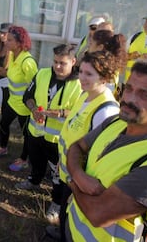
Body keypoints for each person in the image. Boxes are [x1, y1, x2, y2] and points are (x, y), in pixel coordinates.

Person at [66, 56, 147, 241]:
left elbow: (97, 214)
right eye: (129, 88)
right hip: (72, 228)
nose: (129, 99)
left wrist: (72, 182)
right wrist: (79, 176)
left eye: (145, 95)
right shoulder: (117, 121)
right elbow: (76, 147)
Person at [46, 49, 124, 241]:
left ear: (105, 77)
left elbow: (98, 155)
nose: (82, 77)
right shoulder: (85, 94)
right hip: (68, 171)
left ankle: (65, 234)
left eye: (89, 74)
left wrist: (79, 181)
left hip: (80, 179)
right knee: (65, 211)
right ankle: (62, 231)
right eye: (81, 71)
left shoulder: (105, 110)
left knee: (72, 215)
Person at [15, 44, 81, 225]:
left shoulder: (80, 83)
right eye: (55, 62)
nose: (57, 66)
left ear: (73, 62)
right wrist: (34, 108)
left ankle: (57, 203)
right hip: (35, 132)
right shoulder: (42, 73)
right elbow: (27, 96)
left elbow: (81, 112)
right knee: (36, 162)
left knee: (58, 174)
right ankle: (34, 180)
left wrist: (58, 113)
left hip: (58, 140)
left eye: (63, 63)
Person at [0, 25, 38, 173]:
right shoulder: (13, 56)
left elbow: (35, 87)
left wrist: (34, 108)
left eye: (9, 40)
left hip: (24, 106)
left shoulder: (27, 62)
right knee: (3, 124)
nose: (5, 42)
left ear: (18, 43)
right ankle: (3, 148)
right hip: (12, 101)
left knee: (26, 135)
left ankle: (23, 159)